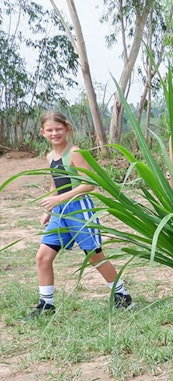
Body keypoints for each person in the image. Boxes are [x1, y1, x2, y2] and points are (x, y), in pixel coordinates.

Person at [28, 110, 132, 319]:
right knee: (42, 257)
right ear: (42, 132)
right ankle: (46, 305)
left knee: (95, 257)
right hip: (60, 212)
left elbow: (89, 184)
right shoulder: (50, 156)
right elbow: (56, 181)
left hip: (80, 209)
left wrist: (59, 199)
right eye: (49, 130)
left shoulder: (76, 153)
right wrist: (50, 208)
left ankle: (122, 296)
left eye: (58, 129)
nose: (54, 133)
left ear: (67, 129)